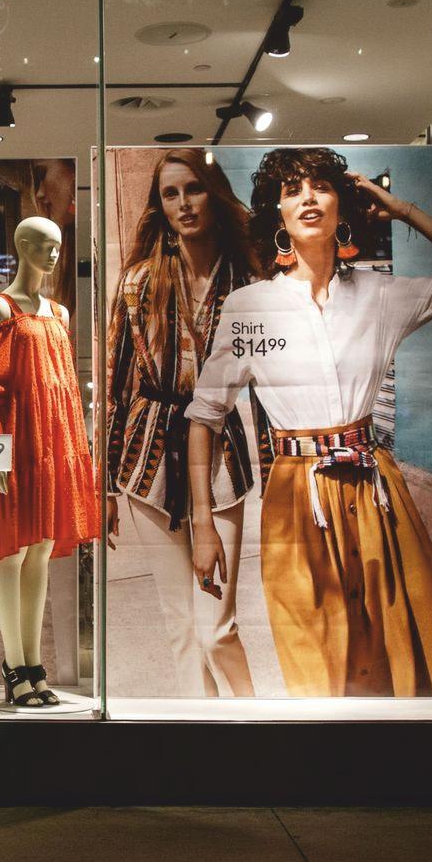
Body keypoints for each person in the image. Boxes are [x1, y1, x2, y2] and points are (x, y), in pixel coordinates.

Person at [187, 147, 432, 697]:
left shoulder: (380, 295)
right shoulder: (250, 307)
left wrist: (401, 209)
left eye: (321, 186)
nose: (307, 198)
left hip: (376, 493)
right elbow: (204, 418)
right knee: (317, 668)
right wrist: (203, 525)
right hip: (296, 499)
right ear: (276, 213)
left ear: (341, 205)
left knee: (404, 658)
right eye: (292, 189)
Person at [106, 148, 260, 697]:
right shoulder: (139, 282)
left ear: (213, 194)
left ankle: (255, 724)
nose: (184, 203)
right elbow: (116, 383)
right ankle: (202, 736)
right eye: (170, 194)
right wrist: (105, 484)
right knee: (181, 628)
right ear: (160, 206)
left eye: (193, 189)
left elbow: (274, 382)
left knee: (217, 627)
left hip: (220, 456)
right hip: (146, 457)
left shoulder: (248, 282)